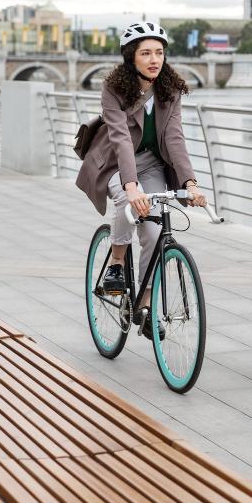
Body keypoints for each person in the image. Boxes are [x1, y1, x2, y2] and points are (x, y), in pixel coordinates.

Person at [75, 21, 208, 338]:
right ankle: (117, 263)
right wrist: (131, 186)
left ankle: (145, 303)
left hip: (150, 163)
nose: (154, 59)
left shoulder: (170, 89)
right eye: (146, 52)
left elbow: (174, 138)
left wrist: (190, 183)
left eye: (159, 52)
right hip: (113, 162)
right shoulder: (114, 89)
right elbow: (120, 139)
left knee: (152, 228)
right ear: (130, 56)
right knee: (125, 198)